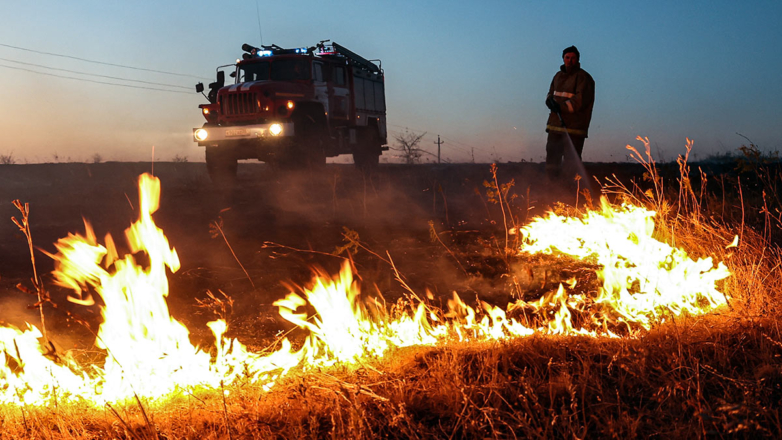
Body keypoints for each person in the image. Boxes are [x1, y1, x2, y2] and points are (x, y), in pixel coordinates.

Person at [544, 46, 595, 178]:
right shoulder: (558, 76)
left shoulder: (584, 78)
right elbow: (550, 94)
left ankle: (571, 193)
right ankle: (551, 188)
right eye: (567, 57)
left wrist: (560, 107)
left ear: (577, 59)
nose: (570, 60)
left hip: (574, 129)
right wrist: (549, 101)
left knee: (571, 165)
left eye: (573, 58)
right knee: (551, 161)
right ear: (563, 59)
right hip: (555, 127)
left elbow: (580, 101)